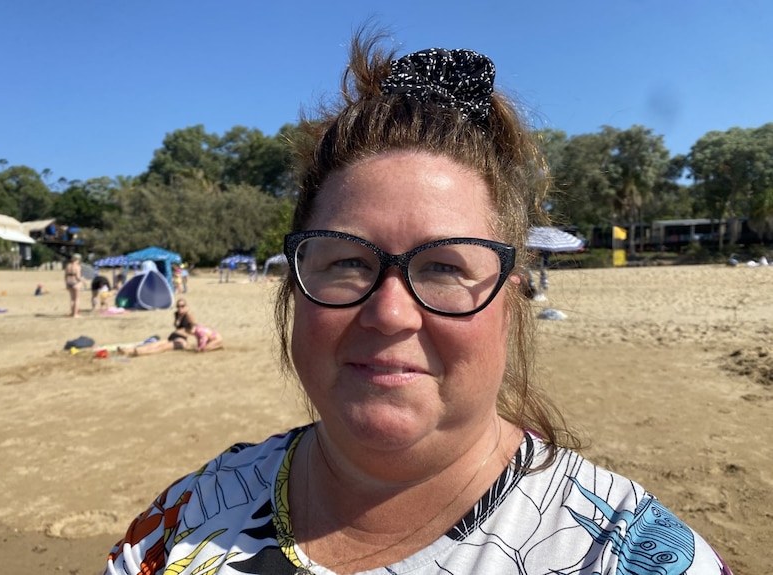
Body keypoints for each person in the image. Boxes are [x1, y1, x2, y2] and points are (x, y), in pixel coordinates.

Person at [105, 31, 730, 575]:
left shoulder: (627, 555)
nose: (391, 313)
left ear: (510, 298)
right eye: (347, 261)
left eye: (443, 266)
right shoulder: (184, 524)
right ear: (295, 283)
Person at [117, 299, 223, 356]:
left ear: (186, 306)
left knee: (161, 348)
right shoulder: (177, 314)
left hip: (182, 340)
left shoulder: (189, 314)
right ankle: (129, 350)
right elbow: (177, 325)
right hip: (172, 337)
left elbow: (194, 328)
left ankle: (139, 352)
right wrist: (179, 317)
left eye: (182, 306)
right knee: (154, 344)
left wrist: (198, 342)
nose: (180, 308)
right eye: (178, 306)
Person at [64, 253, 83, 317]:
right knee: (77, 299)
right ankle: (75, 314)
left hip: (69, 282)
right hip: (75, 283)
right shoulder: (78, 267)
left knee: (72, 299)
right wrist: (83, 281)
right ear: (77, 259)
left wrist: (66, 284)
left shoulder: (68, 266)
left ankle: (72, 313)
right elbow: (78, 277)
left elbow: (65, 276)